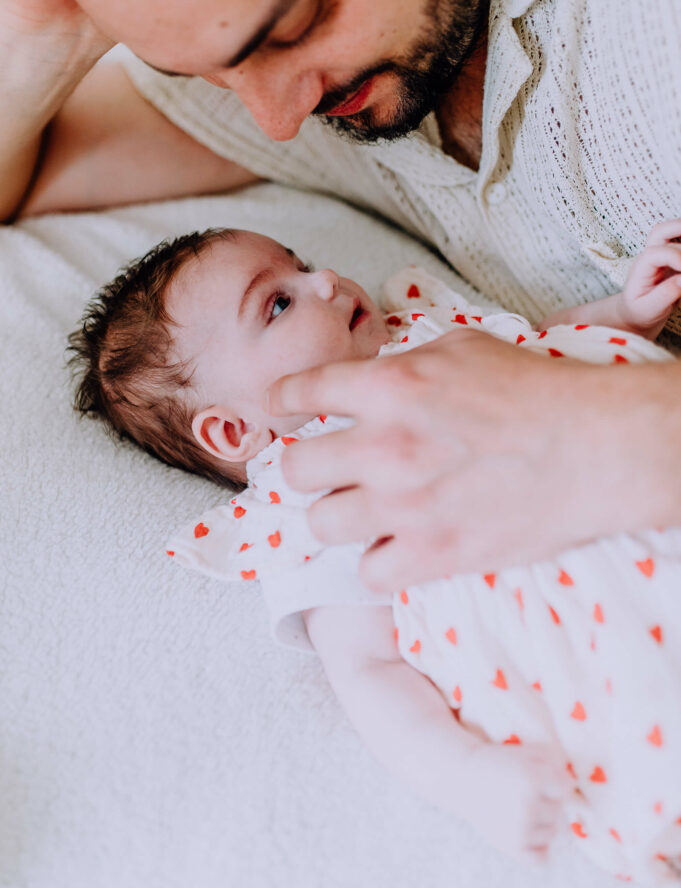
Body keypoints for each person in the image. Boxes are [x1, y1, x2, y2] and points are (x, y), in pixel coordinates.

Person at [3, 0, 681, 592]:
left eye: (295, 24)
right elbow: (24, 180)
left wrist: (615, 433)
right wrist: (36, 39)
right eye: (211, 75)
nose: (277, 118)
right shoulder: (297, 64)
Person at [69, 224, 681, 883]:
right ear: (233, 430)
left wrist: (621, 315)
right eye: (277, 304)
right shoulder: (311, 497)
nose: (323, 281)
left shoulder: (428, 333)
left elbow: (537, 346)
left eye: (300, 262)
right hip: (596, 627)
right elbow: (368, 672)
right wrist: (467, 775)